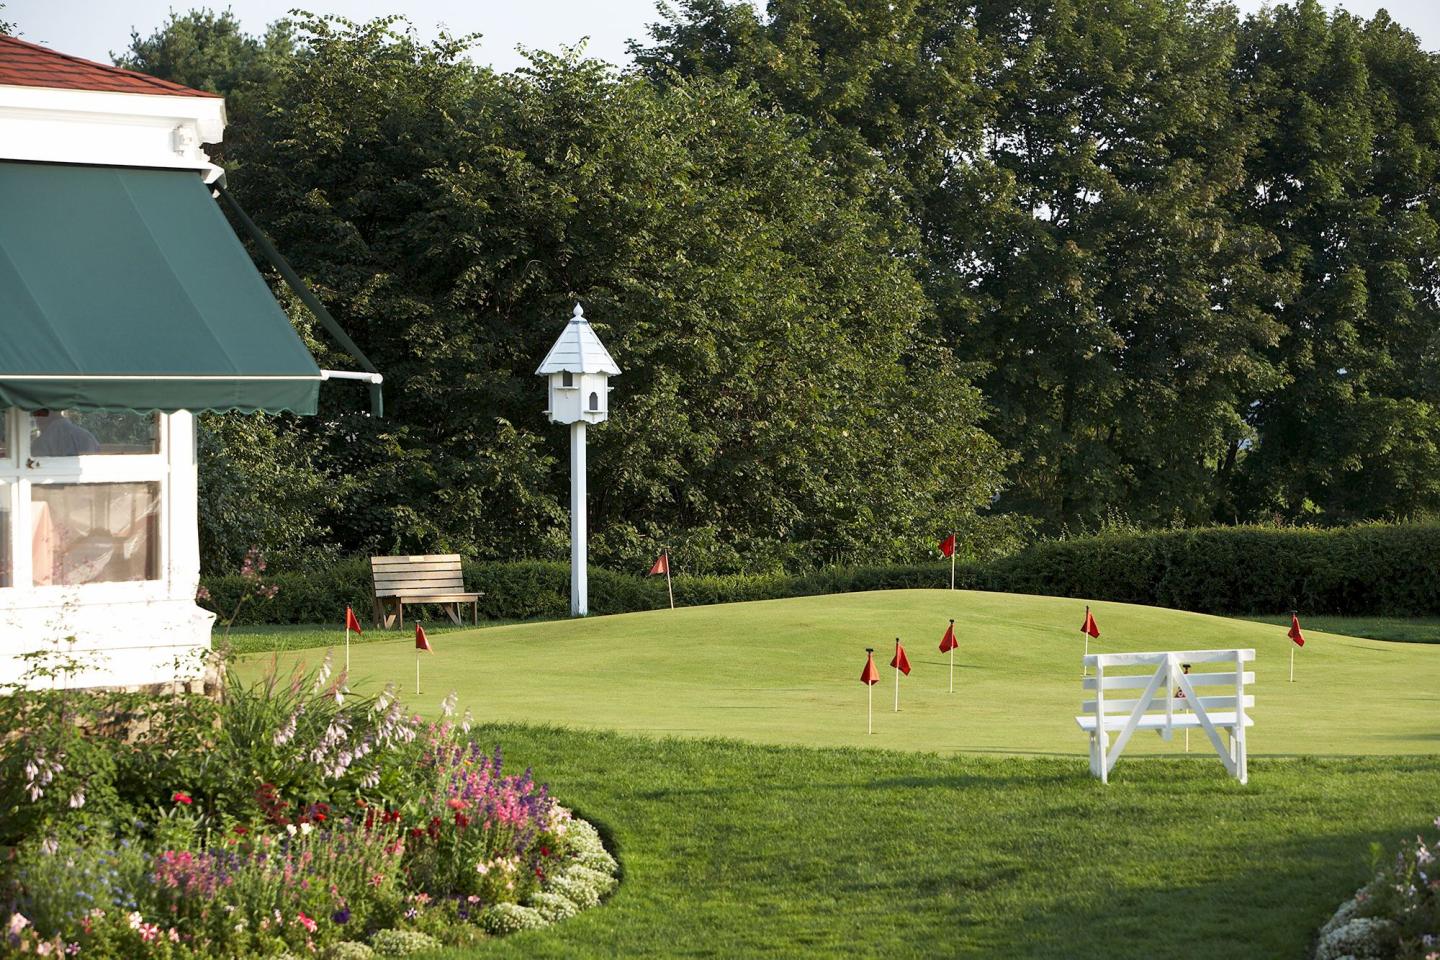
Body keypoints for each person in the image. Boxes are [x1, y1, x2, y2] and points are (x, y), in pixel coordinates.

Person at [31, 410, 101, 456]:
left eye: (36, 416)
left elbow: (35, 468)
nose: (37, 421)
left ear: (41, 417)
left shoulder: (40, 443)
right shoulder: (87, 436)